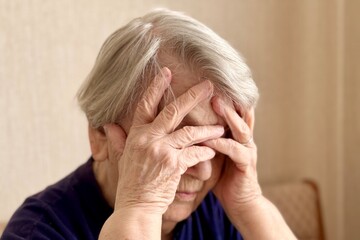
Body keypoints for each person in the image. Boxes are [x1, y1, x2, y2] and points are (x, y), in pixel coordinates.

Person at [2, 9, 296, 240]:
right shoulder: (37, 231)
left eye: (220, 140)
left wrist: (249, 204)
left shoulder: (219, 208)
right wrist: (140, 206)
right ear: (100, 135)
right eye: (177, 137)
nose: (204, 169)